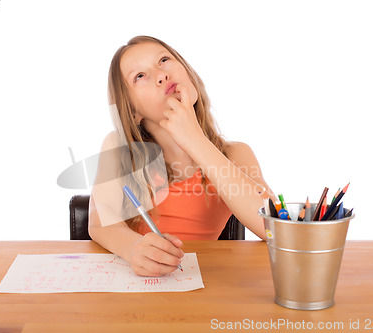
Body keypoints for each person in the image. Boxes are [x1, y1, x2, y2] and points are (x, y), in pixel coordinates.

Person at [88, 35, 276, 277]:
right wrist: (133, 248)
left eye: (164, 60)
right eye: (140, 76)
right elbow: (99, 222)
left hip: (203, 288)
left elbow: (273, 228)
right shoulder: (120, 149)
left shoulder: (236, 154)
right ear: (132, 111)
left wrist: (195, 140)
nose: (161, 75)